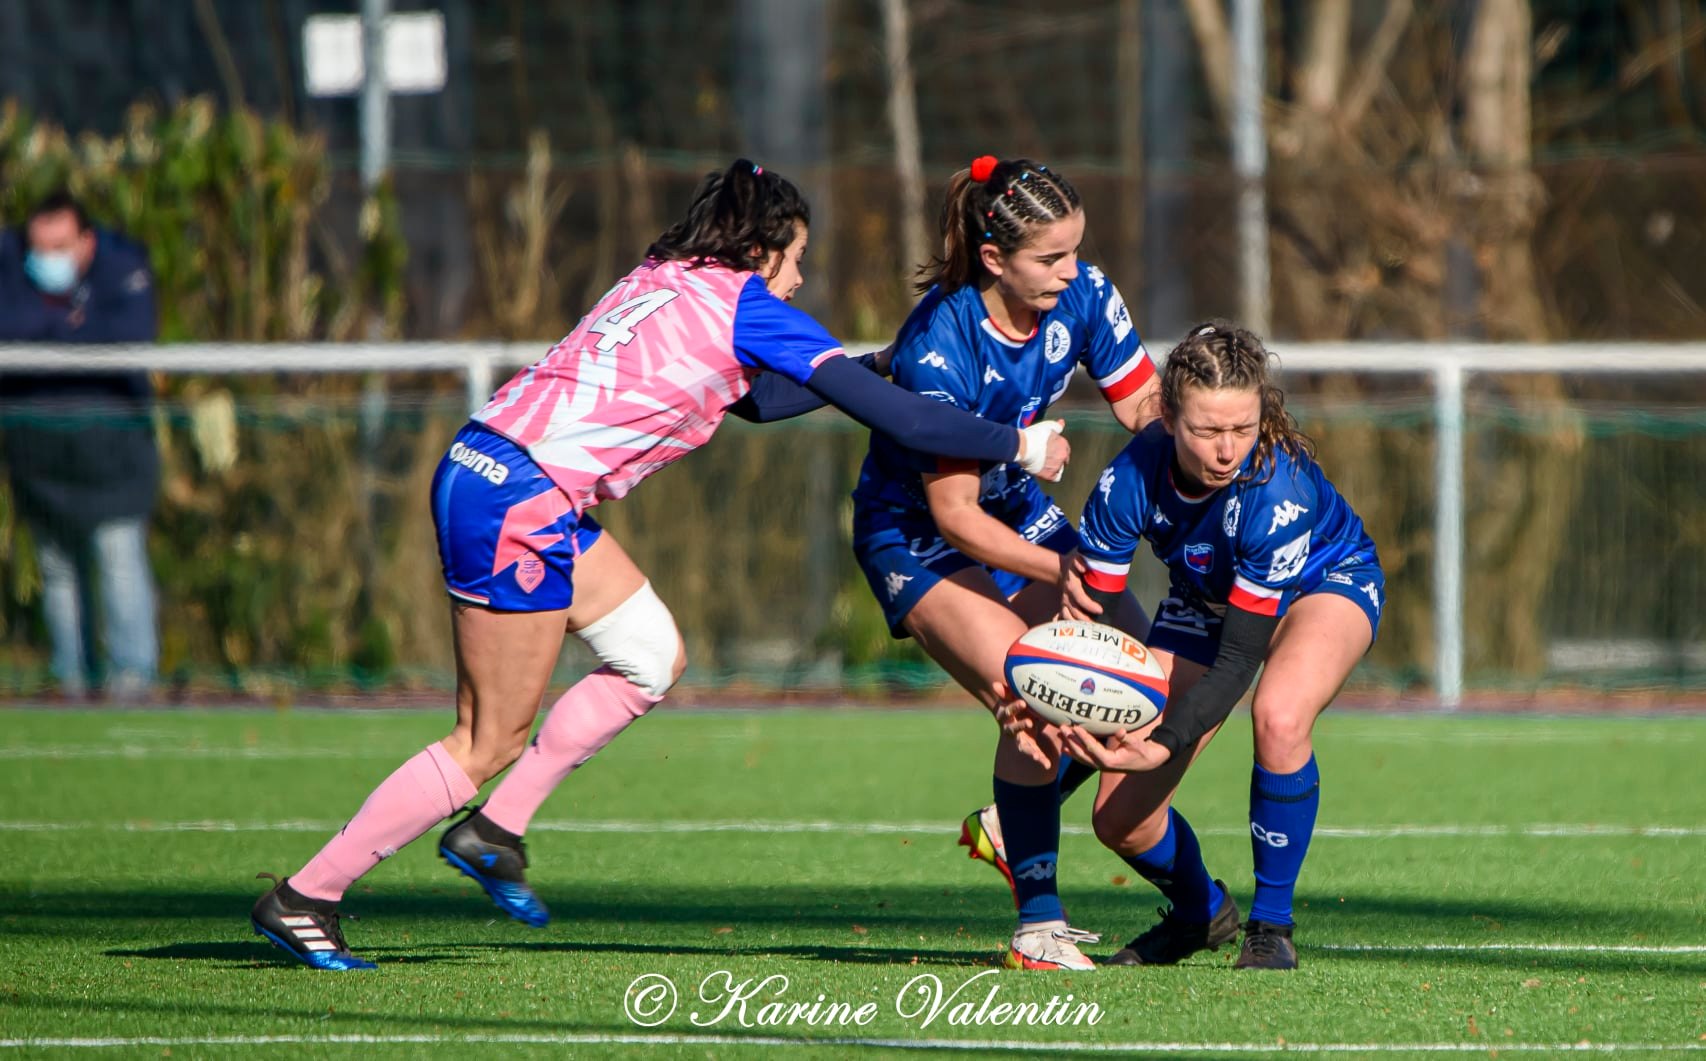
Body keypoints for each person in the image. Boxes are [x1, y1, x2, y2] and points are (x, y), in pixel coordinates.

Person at [248, 159, 1074, 971]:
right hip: (520, 499)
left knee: (649, 656)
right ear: (763, 251)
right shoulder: (749, 302)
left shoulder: (664, 273)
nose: (798, 280)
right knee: (485, 737)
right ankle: (308, 896)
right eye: (797, 261)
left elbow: (758, 398)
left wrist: (876, 367)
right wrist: (1017, 442)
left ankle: (494, 831)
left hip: (503, 471)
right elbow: (901, 420)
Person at [848, 155, 1158, 972]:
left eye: (1076, 251)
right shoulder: (938, 343)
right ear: (994, 259)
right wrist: (1063, 573)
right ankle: (1038, 926)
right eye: (1051, 258)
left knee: (1148, 681)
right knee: (1037, 694)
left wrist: (1215, 437)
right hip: (914, 537)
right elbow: (955, 515)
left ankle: (1006, 822)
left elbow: (1143, 408)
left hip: (1014, 510)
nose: (1072, 271)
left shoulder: (1082, 293)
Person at [1050, 321, 1384, 970]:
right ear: (1169, 417)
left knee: (1279, 714)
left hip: (1324, 580)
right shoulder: (1128, 483)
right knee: (1119, 821)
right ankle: (1201, 913)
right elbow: (1096, 624)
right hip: (1206, 598)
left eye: (1243, 428)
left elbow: (1237, 662)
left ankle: (1271, 926)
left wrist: (1166, 739)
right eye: (1207, 431)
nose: (1227, 448)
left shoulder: (1273, 489)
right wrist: (1075, 725)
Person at [0, 191, 160, 701]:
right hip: (38, 461)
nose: (47, 259)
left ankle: (131, 682)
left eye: (61, 246)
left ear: (86, 241)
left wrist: (50, 339)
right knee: (58, 573)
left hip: (112, 459)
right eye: (39, 248)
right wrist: (65, 329)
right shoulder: (10, 269)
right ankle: (72, 683)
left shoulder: (122, 268)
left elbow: (129, 336)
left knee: (119, 564)